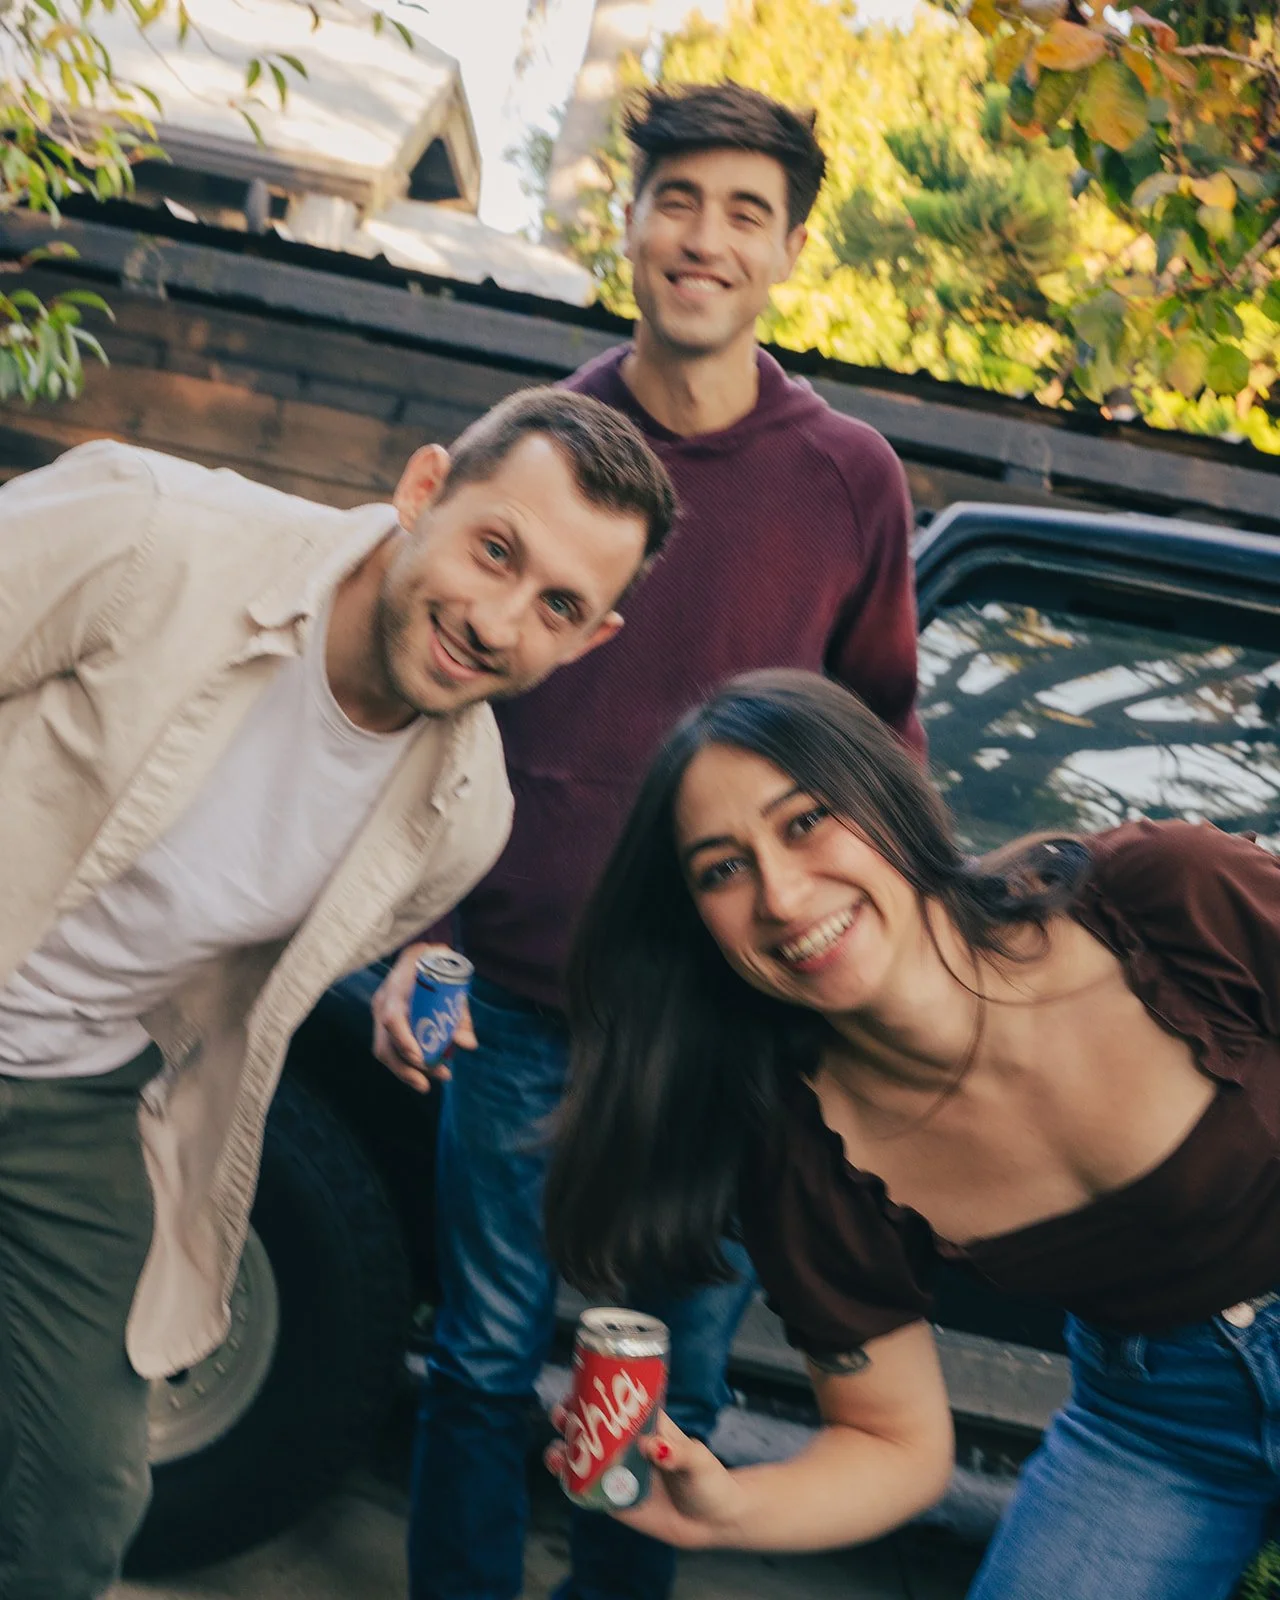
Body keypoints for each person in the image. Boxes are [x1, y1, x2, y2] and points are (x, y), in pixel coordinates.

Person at [366, 82, 924, 1600]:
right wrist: (419, 928)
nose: (705, 239)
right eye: (678, 198)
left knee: (661, 1399)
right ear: (627, 219)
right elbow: (430, 707)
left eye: (748, 212)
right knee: (482, 1370)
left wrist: (856, 1004)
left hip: (727, 1037)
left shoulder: (847, 480)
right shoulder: (540, 446)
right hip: (517, 1006)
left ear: (790, 251)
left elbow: (882, 755)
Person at [0, 386, 674, 1600]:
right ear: (423, 490)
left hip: (74, 1092)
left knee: (75, 1503)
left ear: (591, 641)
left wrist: (413, 958)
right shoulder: (153, 532)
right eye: (495, 549)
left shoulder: (463, 817)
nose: (497, 618)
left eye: (557, 605)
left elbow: (333, 918)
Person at [543, 667, 1280, 1600]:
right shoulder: (807, 1156)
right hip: (1160, 1425)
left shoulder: (1164, 897)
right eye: (722, 869)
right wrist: (731, 1507)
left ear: (888, 797)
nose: (780, 895)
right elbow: (890, 1444)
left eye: (805, 820)